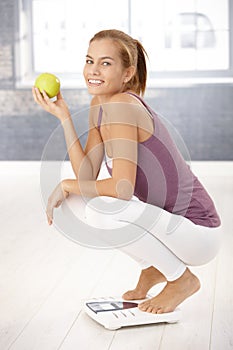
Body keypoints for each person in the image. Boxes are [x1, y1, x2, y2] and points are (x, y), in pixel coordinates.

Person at [32, 29, 222, 315]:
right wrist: (65, 117)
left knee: (98, 210)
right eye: (89, 60)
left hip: (197, 232)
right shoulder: (100, 105)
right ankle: (153, 268)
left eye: (106, 63)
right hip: (172, 226)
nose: (93, 70)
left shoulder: (122, 106)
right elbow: (87, 177)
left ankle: (181, 280)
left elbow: (122, 188)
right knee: (78, 200)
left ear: (127, 72)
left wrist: (68, 184)